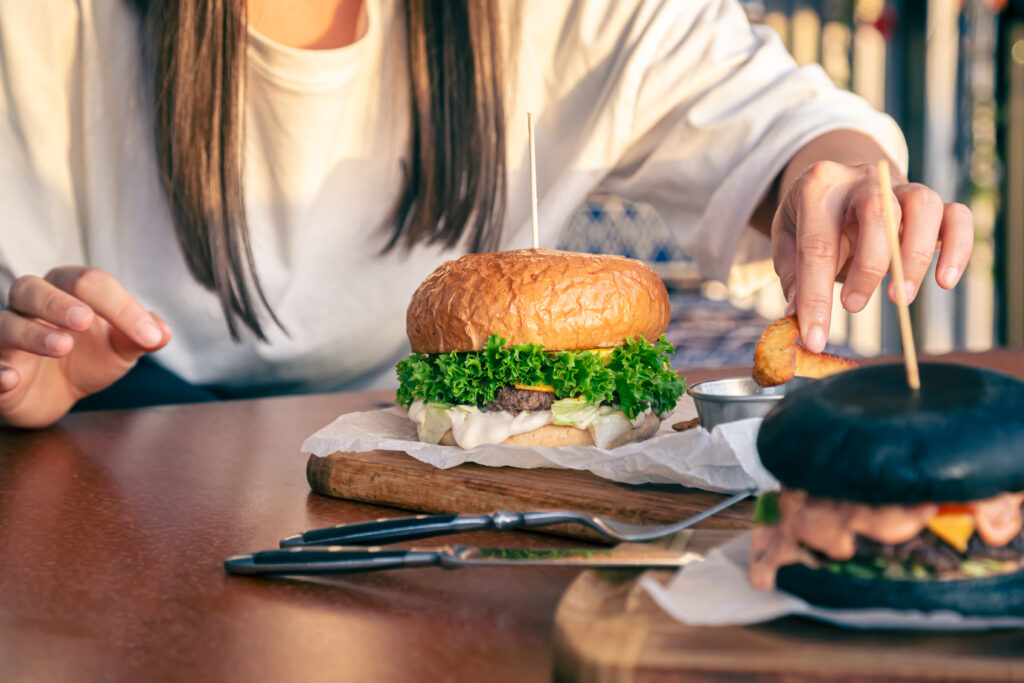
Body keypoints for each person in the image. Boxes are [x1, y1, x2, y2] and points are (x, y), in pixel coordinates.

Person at [0, 0, 973, 428]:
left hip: (451, 509)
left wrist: (834, 171)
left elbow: (773, 120)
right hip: (106, 463)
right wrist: (29, 364)